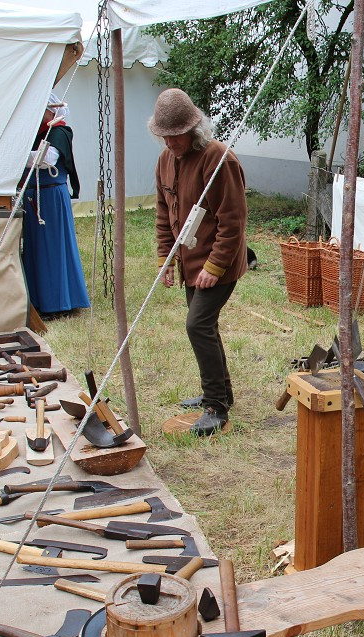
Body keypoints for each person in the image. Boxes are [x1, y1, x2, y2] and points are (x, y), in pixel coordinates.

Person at [150, 89, 248, 436]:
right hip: (190, 265)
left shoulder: (219, 158)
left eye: (176, 136)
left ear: (193, 129)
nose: (171, 143)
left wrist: (214, 267)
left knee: (197, 325)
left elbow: (232, 221)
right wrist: (166, 258)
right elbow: (165, 213)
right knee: (205, 327)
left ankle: (216, 408)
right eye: (165, 136)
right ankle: (222, 392)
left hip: (219, 263)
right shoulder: (165, 161)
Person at [21, 93, 90, 317]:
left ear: (53, 111)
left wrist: (15, 155)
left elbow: (46, 159)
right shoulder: (34, 134)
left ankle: (60, 302)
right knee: (36, 249)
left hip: (51, 199)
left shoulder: (60, 132)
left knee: (54, 248)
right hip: (35, 197)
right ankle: (40, 301)